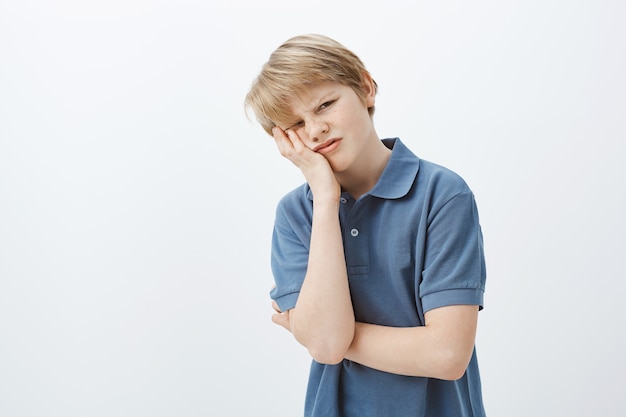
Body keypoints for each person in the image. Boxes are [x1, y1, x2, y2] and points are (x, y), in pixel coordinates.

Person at [244, 34, 487, 417]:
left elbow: (447, 354)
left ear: (366, 87)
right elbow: (325, 346)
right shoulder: (295, 213)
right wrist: (324, 199)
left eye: (325, 105)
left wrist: (328, 336)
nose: (314, 130)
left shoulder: (442, 195)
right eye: (295, 123)